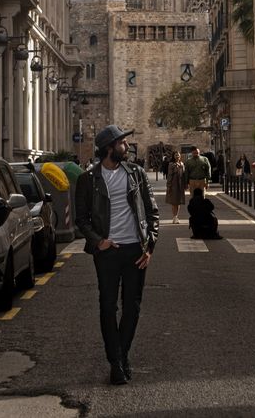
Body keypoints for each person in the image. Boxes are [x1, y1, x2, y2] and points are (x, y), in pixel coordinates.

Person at [75, 125, 159, 386]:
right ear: (110, 147)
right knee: (108, 306)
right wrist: (98, 242)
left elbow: (152, 213)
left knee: (132, 307)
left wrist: (150, 246)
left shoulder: (136, 173)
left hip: (135, 249)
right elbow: (82, 219)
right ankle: (116, 361)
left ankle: (119, 358)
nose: (127, 146)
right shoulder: (88, 179)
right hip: (108, 252)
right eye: (122, 142)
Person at [166, 151, 185, 223]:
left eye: (178, 155)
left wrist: (185, 184)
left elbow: (184, 175)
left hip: (180, 184)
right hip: (174, 184)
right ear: (173, 156)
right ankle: (174, 217)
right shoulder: (171, 164)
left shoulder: (182, 164)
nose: (177, 156)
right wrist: (169, 185)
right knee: (174, 202)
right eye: (176, 155)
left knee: (179, 201)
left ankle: (177, 216)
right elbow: (169, 176)